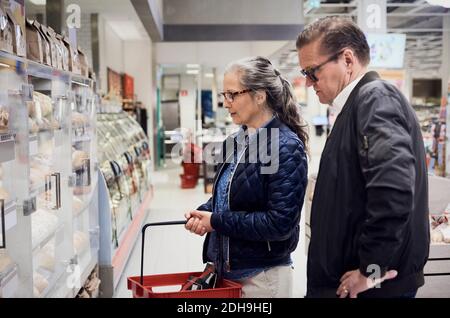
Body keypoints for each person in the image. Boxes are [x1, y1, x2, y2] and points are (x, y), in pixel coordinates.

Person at [296, 16, 429, 298]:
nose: (308, 83)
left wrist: (372, 268)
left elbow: (393, 190)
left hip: (372, 288)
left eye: (312, 71)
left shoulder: (374, 98)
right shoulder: (356, 106)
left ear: (347, 59)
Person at [184, 56, 308, 298]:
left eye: (233, 94)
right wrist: (204, 213)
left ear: (259, 96)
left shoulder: (285, 147)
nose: (226, 103)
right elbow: (228, 197)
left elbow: (279, 223)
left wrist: (216, 221)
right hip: (228, 272)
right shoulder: (235, 141)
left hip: (262, 278)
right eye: (224, 95)